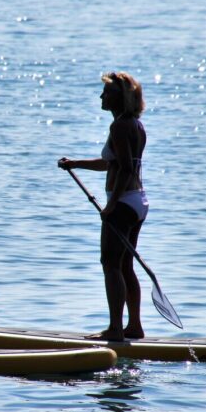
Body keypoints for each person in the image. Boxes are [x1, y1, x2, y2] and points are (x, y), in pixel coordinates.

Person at [58, 72, 148, 341]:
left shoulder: (119, 127)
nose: (101, 96)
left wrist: (111, 204)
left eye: (106, 93)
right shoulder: (134, 124)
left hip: (122, 204)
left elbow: (126, 168)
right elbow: (111, 163)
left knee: (110, 264)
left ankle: (115, 330)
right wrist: (75, 164)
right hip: (138, 202)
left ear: (119, 98)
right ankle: (134, 326)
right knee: (125, 266)